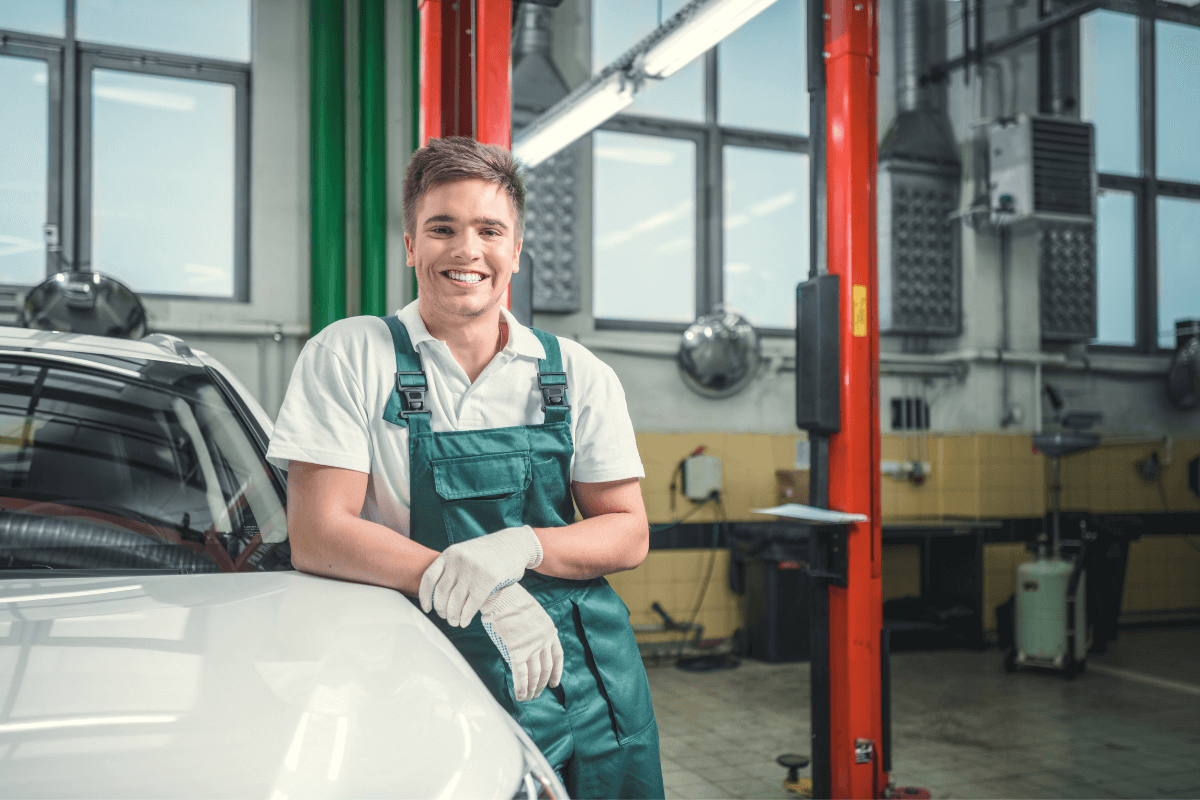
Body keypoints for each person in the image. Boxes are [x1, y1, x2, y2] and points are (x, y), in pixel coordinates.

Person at [267, 136, 664, 799]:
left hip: (587, 681)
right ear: (410, 245)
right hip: (420, 670)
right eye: (442, 228)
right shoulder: (350, 355)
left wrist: (518, 548)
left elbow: (627, 532)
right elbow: (320, 534)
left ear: (515, 247)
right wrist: (480, 586)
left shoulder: (574, 373)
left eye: (488, 230)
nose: (466, 250)